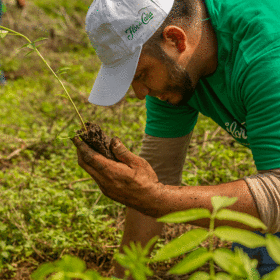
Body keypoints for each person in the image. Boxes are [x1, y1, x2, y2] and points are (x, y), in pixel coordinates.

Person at [71, 0, 280, 278]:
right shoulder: (173, 73)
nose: (139, 93)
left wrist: (159, 199)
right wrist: (125, 275)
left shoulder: (266, 55)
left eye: (141, 75)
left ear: (175, 39)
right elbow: (158, 173)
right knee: (249, 261)